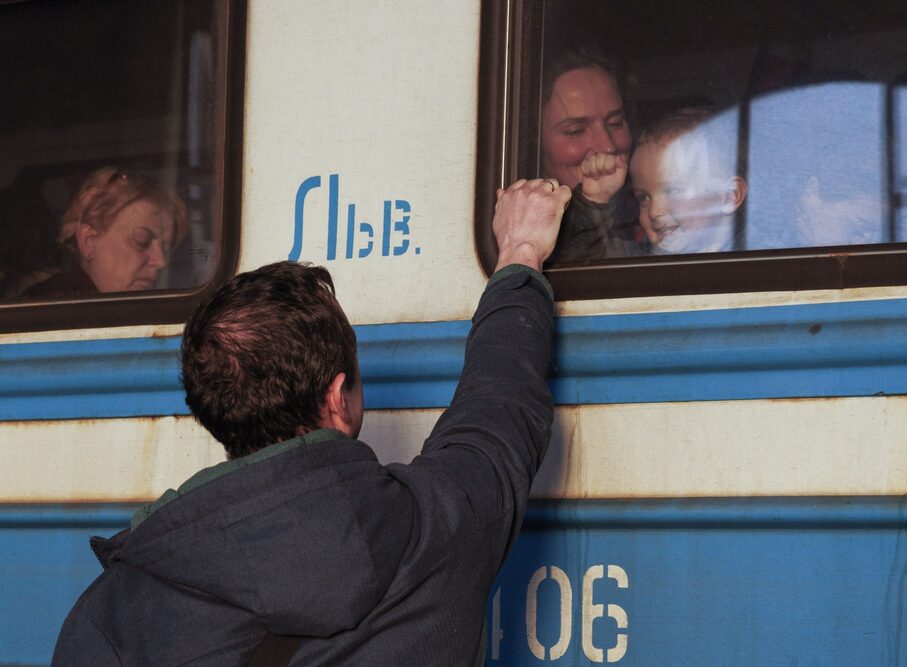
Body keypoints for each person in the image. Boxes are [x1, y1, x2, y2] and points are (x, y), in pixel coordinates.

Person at [51, 178, 571, 665]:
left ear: (215, 411)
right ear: (338, 398)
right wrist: (520, 252)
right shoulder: (435, 530)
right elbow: (499, 403)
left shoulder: (114, 612)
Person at [21, 166, 188, 297]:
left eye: (165, 248)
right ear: (89, 241)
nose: (161, 261)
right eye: (141, 241)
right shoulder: (48, 310)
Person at [540, 45, 640, 262]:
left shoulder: (654, 207)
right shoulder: (530, 232)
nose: (607, 146)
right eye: (575, 131)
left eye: (615, 123)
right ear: (535, 141)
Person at [629, 108, 748, 254]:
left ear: (729, 196)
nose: (655, 212)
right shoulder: (641, 260)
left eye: (672, 191)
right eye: (643, 198)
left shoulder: (756, 257)